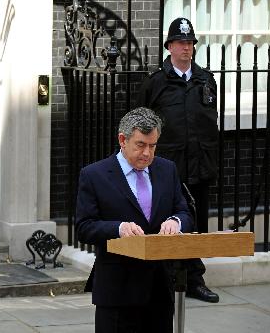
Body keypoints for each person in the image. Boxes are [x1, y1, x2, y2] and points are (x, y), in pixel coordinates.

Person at [76, 107, 192, 333]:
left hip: (159, 290)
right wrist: (119, 228)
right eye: (141, 145)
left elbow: (185, 211)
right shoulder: (94, 175)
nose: (147, 153)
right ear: (123, 139)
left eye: (153, 145)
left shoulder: (167, 170)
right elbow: (84, 227)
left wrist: (176, 222)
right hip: (118, 292)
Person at [137, 17, 220, 303]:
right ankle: (167, 279)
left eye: (190, 43)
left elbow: (212, 123)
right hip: (168, 169)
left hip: (200, 165)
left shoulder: (205, 80)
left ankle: (194, 280)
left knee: (195, 225)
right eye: (181, 43)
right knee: (166, 223)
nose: (187, 48)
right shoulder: (156, 83)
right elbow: (141, 125)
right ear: (169, 46)